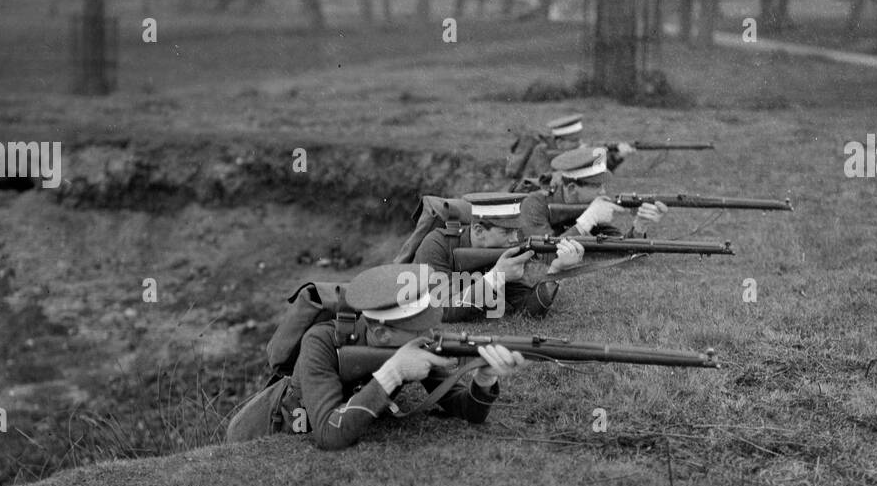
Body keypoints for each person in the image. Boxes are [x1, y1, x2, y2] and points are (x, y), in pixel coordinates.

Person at [224, 263, 527, 450]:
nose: (434, 336)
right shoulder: (320, 341)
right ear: (382, 334)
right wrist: (393, 372)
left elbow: (465, 410)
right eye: (423, 330)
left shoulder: (412, 343)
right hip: (261, 429)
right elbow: (329, 435)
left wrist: (484, 379)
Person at [411, 192, 585, 321]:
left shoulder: (501, 250)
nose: (514, 239)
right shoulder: (437, 245)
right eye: (506, 232)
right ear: (479, 230)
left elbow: (527, 311)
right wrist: (495, 277)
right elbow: (441, 310)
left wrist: (555, 271)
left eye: (516, 231)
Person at [516, 146, 674, 239]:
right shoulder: (534, 203)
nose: (603, 191)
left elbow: (619, 248)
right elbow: (544, 255)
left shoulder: (586, 206)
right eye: (596, 186)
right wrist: (586, 222)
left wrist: (640, 225)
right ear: (572, 188)